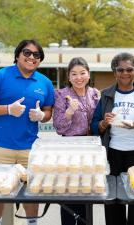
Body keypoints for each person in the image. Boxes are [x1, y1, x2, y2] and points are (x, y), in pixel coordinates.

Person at [0, 39, 55, 225]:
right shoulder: (0, 76)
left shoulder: (44, 82)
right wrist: (7, 109)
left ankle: (32, 223)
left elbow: (48, 112)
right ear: (18, 55)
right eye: (27, 53)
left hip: (29, 147)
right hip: (1, 147)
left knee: (31, 191)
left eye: (36, 55)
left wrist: (41, 115)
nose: (31, 57)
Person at [91, 52, 134, 225]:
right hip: (112, 152)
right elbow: (93, 126)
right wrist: (104, 123)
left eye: (129, 69)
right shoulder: (106, 94)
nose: (125, 73)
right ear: (114, 72)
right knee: (113, 200)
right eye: (120, 70)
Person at [53, 57, 100, 225]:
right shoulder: (61, 94)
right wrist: (69, 112)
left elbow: (99, 122)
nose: (78, 77)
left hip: (91, 149)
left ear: (88, 74)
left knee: (87, 190)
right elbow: (59, 127)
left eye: (82, 73)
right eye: (74, 74)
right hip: (70, 148)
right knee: (68, 191)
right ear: (69, 76)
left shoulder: (95, 94)